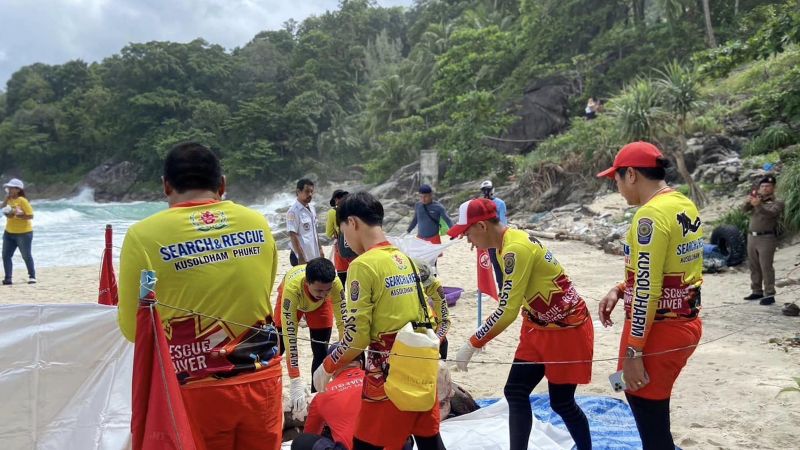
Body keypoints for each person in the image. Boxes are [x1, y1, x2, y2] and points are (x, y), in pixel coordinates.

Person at [117, 142, 282, 450]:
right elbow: (263, 287)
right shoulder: (257, 223)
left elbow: (132, 328)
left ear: (166, 186)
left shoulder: (142, 236)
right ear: (222, 185)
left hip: (194, 386)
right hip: (262, 378)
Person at [449, 198, 594, 450]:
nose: (468, 241)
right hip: (536, 326)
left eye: (467, 233)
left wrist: (473, 343)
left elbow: (507, 310)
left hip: (566, 330)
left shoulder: (515, 249)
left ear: (482, 226)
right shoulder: (504, 245)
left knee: (562, 402)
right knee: (515, 391)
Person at [313, 192, 445, 450]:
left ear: (352, 222)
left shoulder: (362, 266)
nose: (345, 241)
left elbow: (357, 336)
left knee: (365, 444)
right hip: (420, 369)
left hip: (387, 378)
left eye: (343, 232)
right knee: (429, 442)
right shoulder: (405, 259)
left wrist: (327, 366)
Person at [596, 141, 703, 450]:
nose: (617, 188)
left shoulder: (649, 217)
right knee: (648, 409)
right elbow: (664, 268)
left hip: (658, 330)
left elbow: (647, 289)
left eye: (616, 179)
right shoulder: (682, 203)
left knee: (650, 422)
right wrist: (620, 289)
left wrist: (634, 353)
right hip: (683, 321)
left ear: (631, 175)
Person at [275, 257, 346, 403]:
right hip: (293, 300)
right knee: (279, 347)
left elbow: (343, 324)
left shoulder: (335, 284)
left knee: (320, 350)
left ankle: (316, 397)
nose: (324, 294)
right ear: (307, 282)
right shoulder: (292, 289)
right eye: (319, 290)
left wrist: (344, 361)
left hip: (320, 306)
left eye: (327, 290)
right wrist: (295, 379)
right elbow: (290, 336)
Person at [292, 345, 366, 450]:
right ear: (361, 364)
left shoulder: (323, 394)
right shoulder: (380, 384)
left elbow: (310, 432)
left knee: (302, 442)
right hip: (384, 444)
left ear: (331, 369)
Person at [742, 175, 784, 306]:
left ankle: (769, 293)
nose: (765, 188)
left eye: (768, 186)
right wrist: (748, 202)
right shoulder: (758, 199)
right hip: (752, 237)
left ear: (773, 188)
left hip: (766, 238)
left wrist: (758, 205)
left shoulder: (777, 202)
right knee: (754, 266)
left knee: (766, 267)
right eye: (762, 186)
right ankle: (756, 291)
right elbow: (744, 210)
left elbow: (770, 214)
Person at [415, 259, 452, 359]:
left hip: (431, 331)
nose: (425, 287)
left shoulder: (435, 284)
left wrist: (437, 340)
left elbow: (445, 320)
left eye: (427, 283)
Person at [2, 178, 36, 285]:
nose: (9, 189)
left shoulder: (22, 201)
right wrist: (6, 205)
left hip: (24, 233)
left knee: (26, 255)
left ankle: (32, 276)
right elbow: (3, 208)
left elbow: (30, 216)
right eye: (8, 188)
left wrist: (20, 215)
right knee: (6, 256)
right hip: (9, 232)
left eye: (11, 188)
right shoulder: (8, 199)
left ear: (18, 190)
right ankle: (8, 278)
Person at [288, 178, 323, 266]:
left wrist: (320, 249)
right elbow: (292, 235)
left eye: (311, 191)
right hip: (302, 257)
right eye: (307, 191)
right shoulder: (293, 211)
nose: (310, 194)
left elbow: (314, 231)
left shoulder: (312, 208)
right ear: (298, 191)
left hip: (314, 255)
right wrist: (300, 256)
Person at [479, 180, 507, 291]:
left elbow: (502, 222)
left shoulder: (496, 203)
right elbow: (503, 222)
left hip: (493, 239)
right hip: (492, 239)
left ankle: (502, 288)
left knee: (498, 264)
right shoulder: (498, 203)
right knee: (497, 264)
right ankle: (502, 288)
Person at [327, 189, 356, 284]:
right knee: (355, 274)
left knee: (342, 275)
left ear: (336, 200)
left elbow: (329, 233)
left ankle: (342, 293)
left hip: (341, 247)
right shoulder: (353, 210)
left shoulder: (332, 212)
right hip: (355, 245)